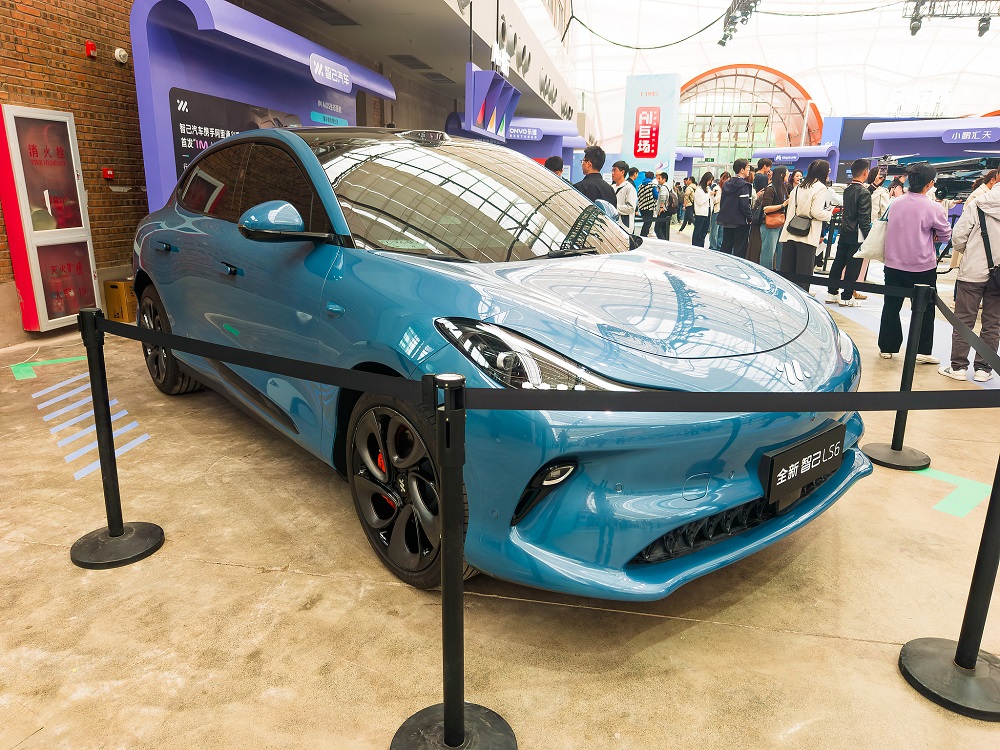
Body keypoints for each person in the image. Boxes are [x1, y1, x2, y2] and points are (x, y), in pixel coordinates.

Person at [878, 163, 952, 361]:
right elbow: (945, 234)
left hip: (893, 263)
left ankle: (887, 347)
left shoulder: (896, 203)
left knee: (891, 306)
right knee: (925, 310)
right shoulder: (934, 207)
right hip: (923, 266)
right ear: (930, 184)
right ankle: (922, 351)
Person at [939, 179, 1000, 382]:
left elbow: (958, 237)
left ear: (996, 178)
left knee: (964, 320)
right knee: (993, 323)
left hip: (973, 270)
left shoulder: (978, 202)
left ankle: (958, 367)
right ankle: (984, 368)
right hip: (999, 277)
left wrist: (972, 251)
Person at [778, 159, 833, 291]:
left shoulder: (798, 187)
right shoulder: (820, 188)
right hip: (807, 235)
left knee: (787, 277)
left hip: (790, 233)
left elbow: (790, 209)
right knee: (803, 278)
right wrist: (828, 214)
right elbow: (816, 212)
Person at [826, 159, 872, 307]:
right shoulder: (863, 192)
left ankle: (832, 293)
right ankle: (846, 296)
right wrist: (868, 237)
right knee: (853, 265)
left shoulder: (848, 189)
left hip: (845, 230)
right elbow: (864, 218)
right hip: (857, 233)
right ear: (865, 172)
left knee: (838, 262)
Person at [717, 159, 754, 258]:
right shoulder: (744, 186)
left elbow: (723, 202)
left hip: (727, 221)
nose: (749, 170)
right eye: (748, 167)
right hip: (740, 222)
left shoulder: (727, 184)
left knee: (726, 247)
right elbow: (744, 205)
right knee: (740, 249)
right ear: (742, 170)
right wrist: (750, 217)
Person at [759, 166, 788, 271]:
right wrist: (783, 205)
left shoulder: (783, 187)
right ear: (781, 174)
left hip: (780, 223)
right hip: (770, 225)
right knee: (768, 254)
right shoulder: (770, 188)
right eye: (787, 173)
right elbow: (766, 209)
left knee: (780, 252)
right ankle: (765, 274)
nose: (788, 175)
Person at [611, 160, 637, 228]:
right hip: (612, 224)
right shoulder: (612, 187)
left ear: (622, 172)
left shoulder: (629, 188)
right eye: (612, 170)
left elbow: (631, 208)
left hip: (624, 227)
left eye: (615, 170)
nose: (612, 173)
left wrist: (613, 208)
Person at [691, 172, 714, 248]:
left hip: (707, 213)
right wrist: (709, 195)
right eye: (709, 180)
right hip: (700, 213)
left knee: (704, 232)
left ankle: (701, 246)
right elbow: (700, 201)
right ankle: (695, 247)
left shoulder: (708, 188)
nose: (710, 182)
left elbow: (711, 200)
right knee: (698, 232)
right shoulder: (699, 189)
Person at [709, 172, 729, 250]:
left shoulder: (727, 188)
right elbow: (713, 200)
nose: (726, 181)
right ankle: (713, 246)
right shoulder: (716, 188)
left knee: (721, 231)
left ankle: (719, 246)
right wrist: (721, 196)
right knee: (714, 231)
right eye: (725, 179)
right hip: (716, 211)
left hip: (724, 212)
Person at [653, 171, 675, 241]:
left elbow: (663, 196)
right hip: (667, 210)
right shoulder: (668, 186)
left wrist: (661, 207)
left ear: (664, 179)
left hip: (662, 210)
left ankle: (662, 241)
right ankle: (665, 241)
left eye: (660, 178)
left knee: (657, 228)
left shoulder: (663, 187)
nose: (658, 180)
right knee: (664, 229)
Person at [636, 171, 657, 237]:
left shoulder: (640, 186)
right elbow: (656, 196)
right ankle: (643, 235)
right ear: (652, 177)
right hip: (649, 207)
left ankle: (643, 235)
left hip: (641, 207)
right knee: (648, 223)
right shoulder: (652, 185)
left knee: (645, 222)